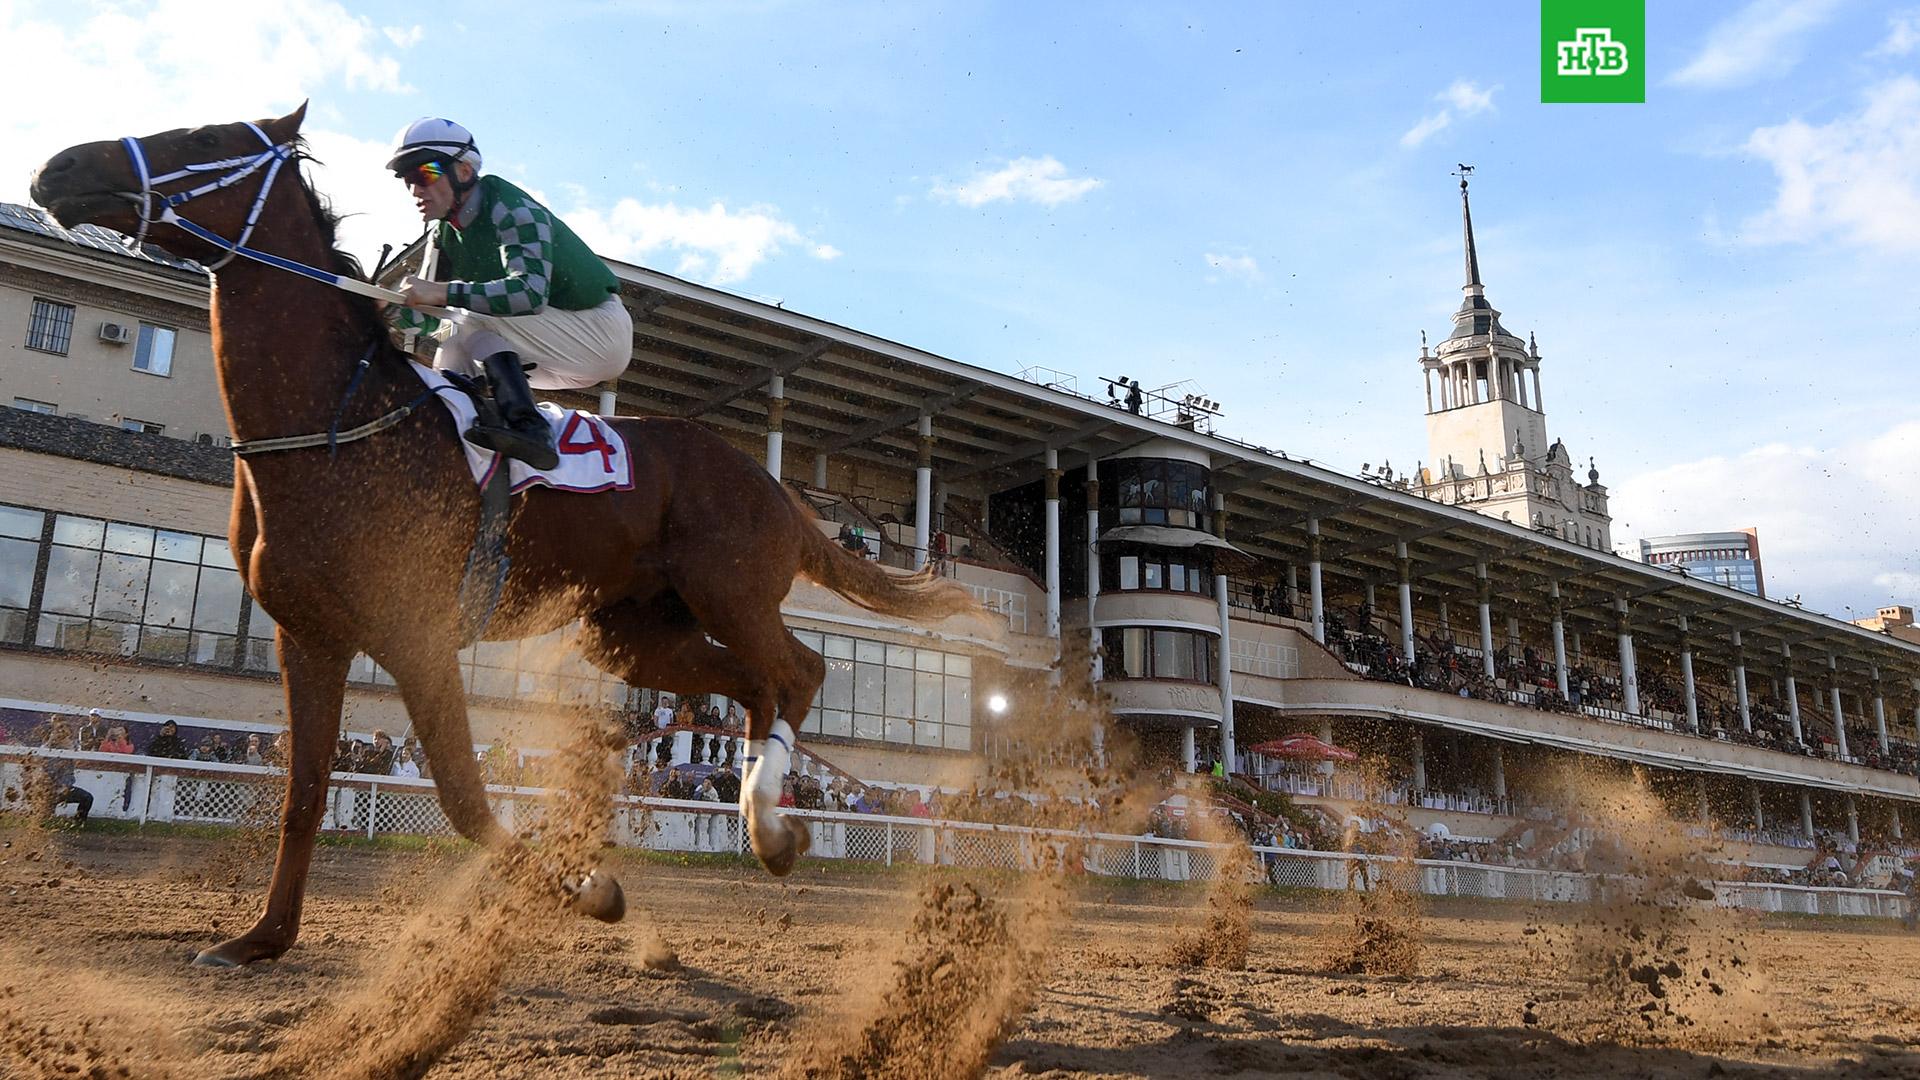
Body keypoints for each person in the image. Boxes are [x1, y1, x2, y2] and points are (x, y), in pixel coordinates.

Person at [384, 118, 632, 469]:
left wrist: (441, 292)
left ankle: (530, 429)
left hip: (599, 334)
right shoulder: (443, 234)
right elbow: (426, 321)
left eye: (425, 173)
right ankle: (457, 433)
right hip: (546, 355)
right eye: (407, 181)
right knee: (453, 339)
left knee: (468, 314)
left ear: (465, 171)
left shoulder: (512, 209)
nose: (415, 191)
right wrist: (381, 306)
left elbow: (528, 295)